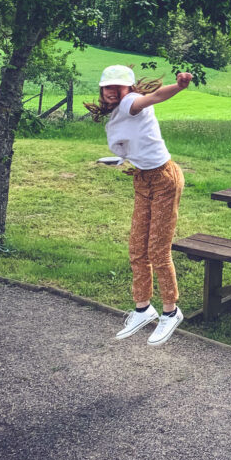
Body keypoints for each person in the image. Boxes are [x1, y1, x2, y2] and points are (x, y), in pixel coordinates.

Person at [85, 65, 192, 346]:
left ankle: (171, 311)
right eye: (106, 87)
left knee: (157, 249)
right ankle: (143, 308)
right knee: (137, 248)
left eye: (116, 87)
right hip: (143, 179)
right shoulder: (119, 110)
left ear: (128, 89)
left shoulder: (132, 102)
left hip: (165, 179)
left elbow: (154, 97)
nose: (110, 92)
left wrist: (179, 87)